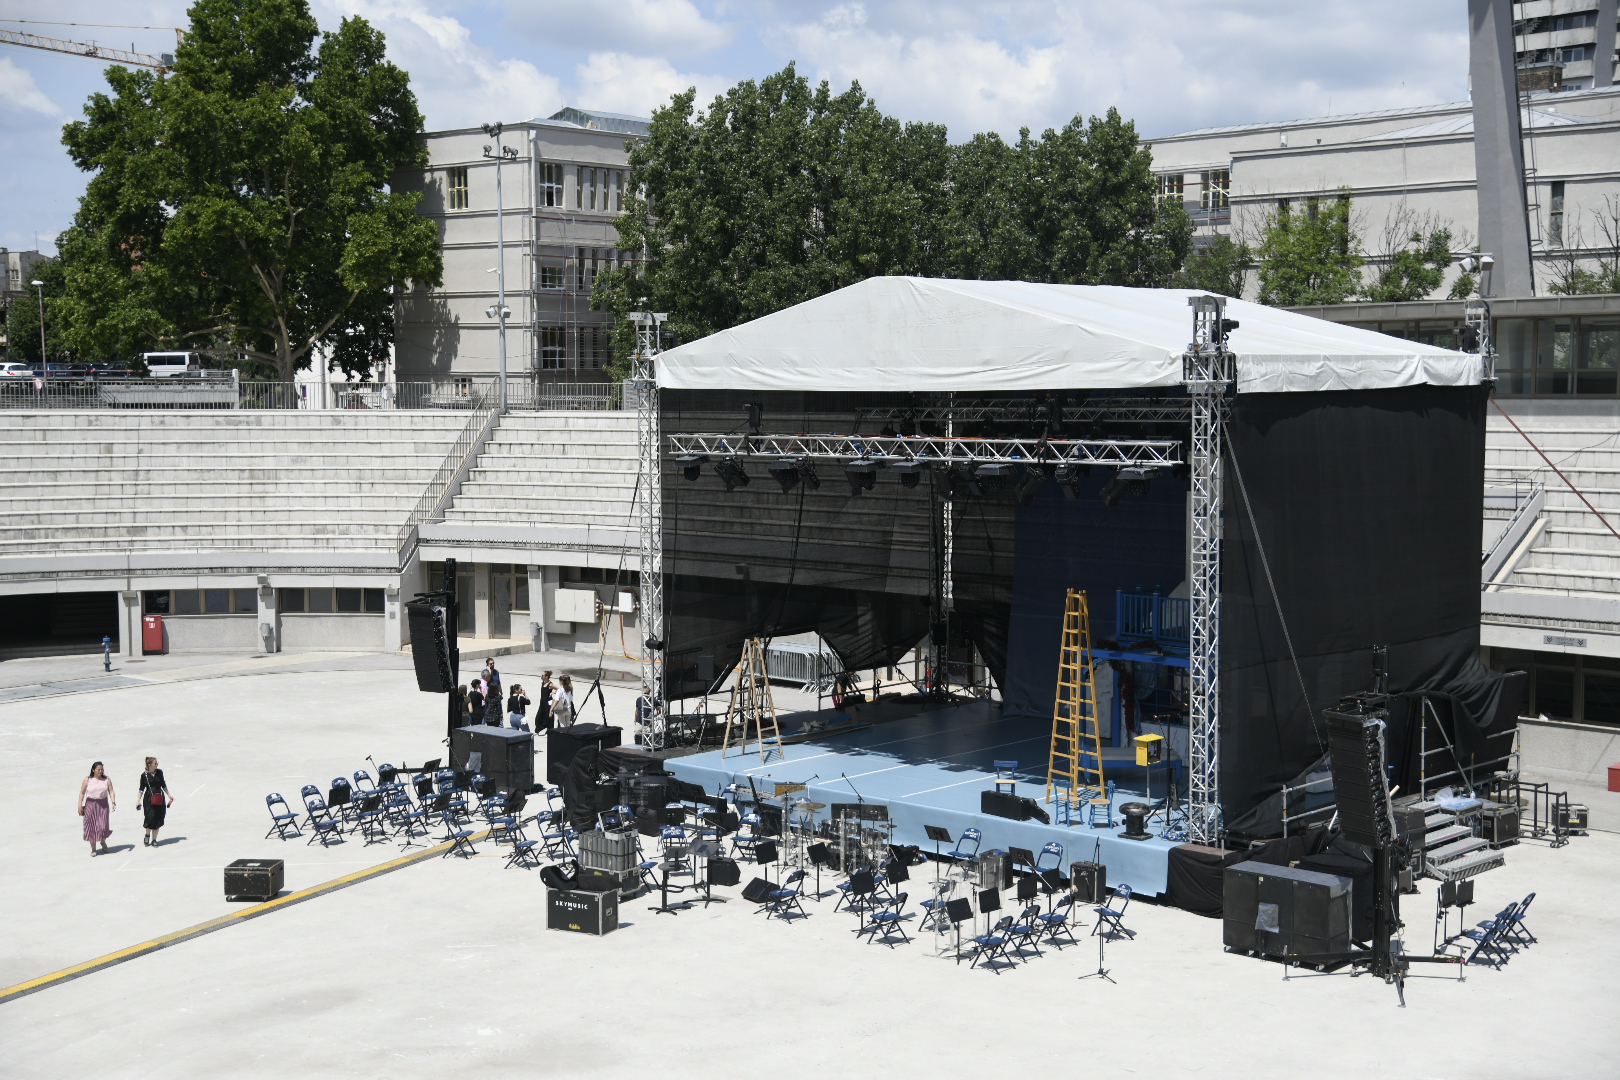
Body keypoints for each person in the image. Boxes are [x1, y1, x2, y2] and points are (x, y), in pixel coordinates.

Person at [78, 761, 116, 856]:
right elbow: (82, 793)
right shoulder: (87, 780)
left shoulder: (106, 779)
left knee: (103, 826)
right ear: (93, 770)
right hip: (90, 804)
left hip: (103, 804)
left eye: (102, 769)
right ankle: (93, 849)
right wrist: (79, 805)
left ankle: (103, 841)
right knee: (91, 827)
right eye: (98, 769)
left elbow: (111, 791)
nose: (100, 771)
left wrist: (113, 802)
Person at [137, 756, 172, 847]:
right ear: (149, 765)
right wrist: (138, 800)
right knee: (150, 818)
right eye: (155, 763)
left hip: (159, 797)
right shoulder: (144, 775)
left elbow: (163, 785)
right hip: (148, 798)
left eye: (157, 763)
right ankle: (147, 834)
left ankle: (154, 840)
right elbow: (141, 789)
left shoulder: (160, 772)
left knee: (158, 818)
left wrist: (169, 795)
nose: (157, 765)